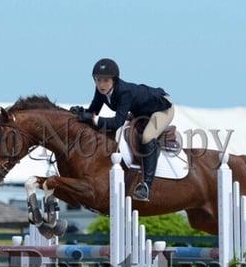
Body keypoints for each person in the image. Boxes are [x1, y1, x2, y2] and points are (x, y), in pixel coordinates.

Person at [70, 58, 174, 201]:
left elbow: (117, 122)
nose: (101, 84)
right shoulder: (101, 91)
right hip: (141, 112)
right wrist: (81, 113)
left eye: (106, 81)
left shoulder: (124, 92)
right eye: (98, 80)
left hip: (161, 109)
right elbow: (94, 111)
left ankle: (146, 186)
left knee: (147, 137)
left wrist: (92, 118)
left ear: (114, 80)